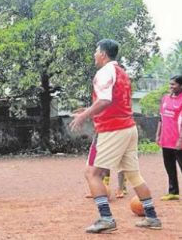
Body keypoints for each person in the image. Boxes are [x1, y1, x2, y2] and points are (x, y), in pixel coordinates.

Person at [70, 39, 161, 233]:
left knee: (92, 173)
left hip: (112, 129)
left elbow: (104, 100)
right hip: (128, 127)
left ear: (103, 53)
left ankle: (106, 219)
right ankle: (152, 217)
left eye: (96, 51)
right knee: (134, 174)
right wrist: (89, 110)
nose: (94, 55)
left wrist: (84, 116)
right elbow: (112, 103)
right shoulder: (121, 72)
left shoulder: (103, 72)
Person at [156, 75, 182, 201]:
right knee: (169, 166)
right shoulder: (165, 98)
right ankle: (173, 192)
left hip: (179, 140)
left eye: (174, 84)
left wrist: (180, 139)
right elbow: (161, 118)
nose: (171, 86)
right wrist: (158, 134)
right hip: (166, 139)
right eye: (170, 84)